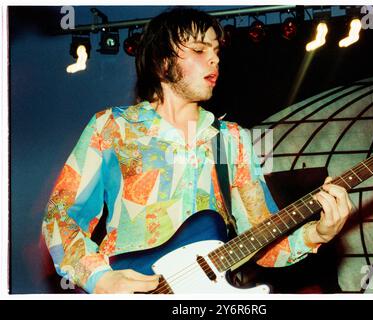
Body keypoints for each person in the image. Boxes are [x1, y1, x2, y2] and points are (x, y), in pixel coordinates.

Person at [42, 7, 352, 294]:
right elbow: (60, 217)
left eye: (216, 51)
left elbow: (262, 238)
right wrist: (100, 278)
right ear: (163, 64)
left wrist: (318, 234)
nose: (215, 59)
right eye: (200, 50)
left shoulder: (229, 140)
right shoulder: (112, 127)